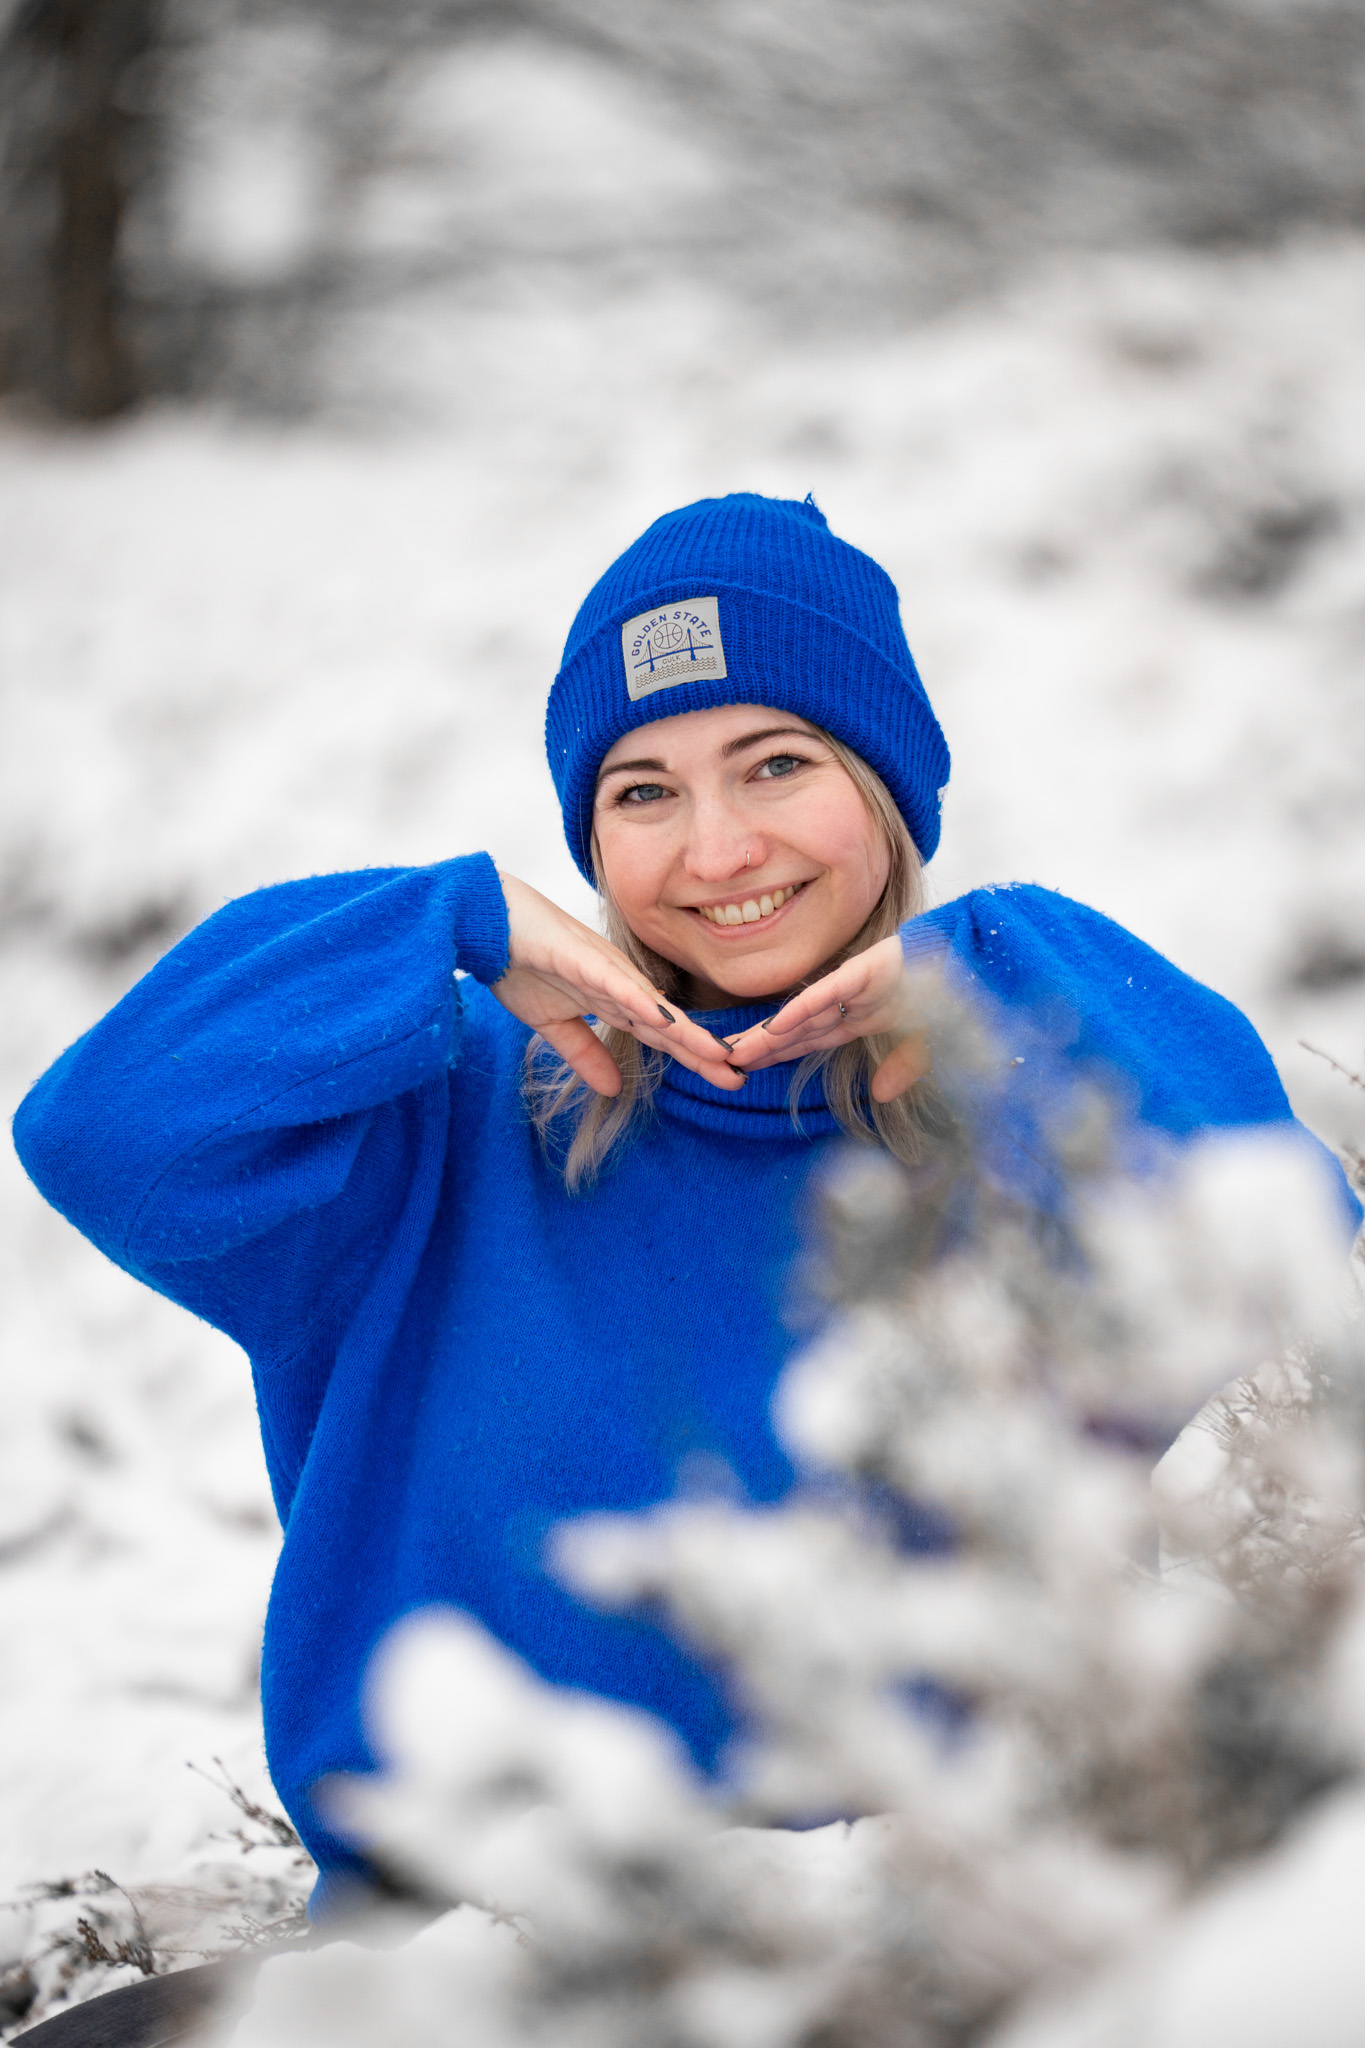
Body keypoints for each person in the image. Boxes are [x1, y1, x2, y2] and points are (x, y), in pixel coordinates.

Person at [13, 492, 1356, 1944]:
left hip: (921, 1943)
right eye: (642, 790)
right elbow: (104, 1130)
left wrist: (1002, 971)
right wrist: (437, 926)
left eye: (775, 764)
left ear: (885, 793)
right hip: (462, 1956)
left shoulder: (1020, 1106)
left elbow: (1276, 1244)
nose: (716, 851)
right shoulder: (437, 1123)